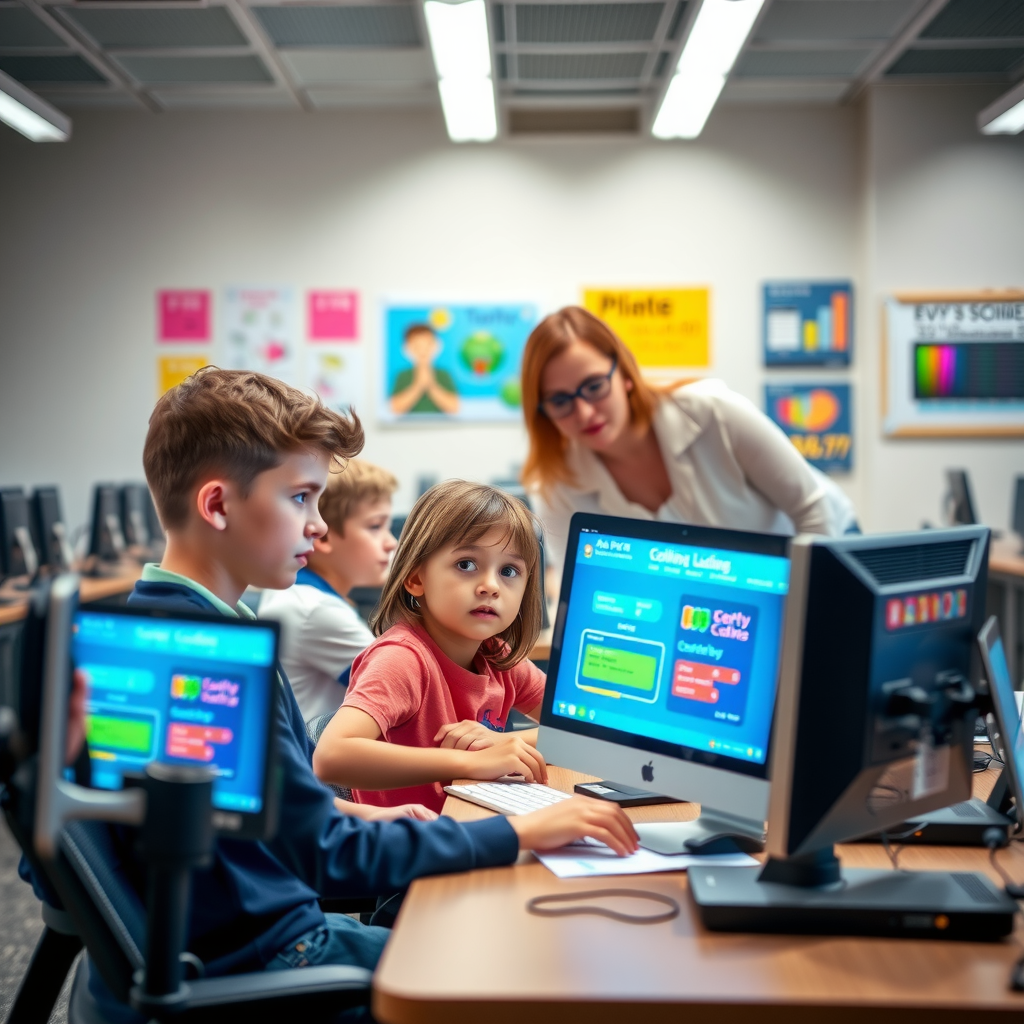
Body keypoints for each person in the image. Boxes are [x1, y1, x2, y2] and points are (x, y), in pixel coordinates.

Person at [60, 367, 638, 1022]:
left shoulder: (159, 630)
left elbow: (260, 823)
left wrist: (369, 817)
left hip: (232, 937)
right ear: (218, 506)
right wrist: (520, 833)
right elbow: (325, 859)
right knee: (531, 977)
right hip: (275, 954)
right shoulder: (209, 664)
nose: (317, 525)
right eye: (301, 498)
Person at [520, 306, 858, 583]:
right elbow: (581, 581)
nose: (584, 411)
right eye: (560, 400)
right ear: (543, 411)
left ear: (624, 373)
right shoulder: (556, 482)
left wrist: (801, 609)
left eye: (594, 386)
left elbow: (812, 510)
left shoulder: (714, 412)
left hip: (825, 543)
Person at [313, 481, 548, 815]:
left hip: (469, 826)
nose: (491, 586)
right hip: (412, 845)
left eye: (509, 571)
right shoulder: (402, 659)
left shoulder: (498, 656)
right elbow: (331, 757)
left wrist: (501, 744)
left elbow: (584, 735)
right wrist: (470, 760)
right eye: (467, 564)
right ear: (416, 578)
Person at [259, 458, 398, 724]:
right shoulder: (315, 611)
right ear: (323, 537)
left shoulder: (301, 594)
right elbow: (409, 684)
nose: (391, 542)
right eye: (375, 527)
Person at [389, 323, 460, 415]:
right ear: (407, 348)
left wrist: (430, 385)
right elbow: (395, 408)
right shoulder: (402, 376)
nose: (423, 351)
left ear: (436, 346)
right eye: (417, 346)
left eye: (428, 345)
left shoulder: (444, 374)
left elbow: (454, 407)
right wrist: (418, 385)